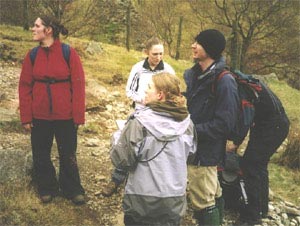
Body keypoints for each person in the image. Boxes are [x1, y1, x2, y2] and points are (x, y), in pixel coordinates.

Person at [110, 72, 197, 226]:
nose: (145, 90)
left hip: (141, 199)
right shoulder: (188, 125)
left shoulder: (138, 123)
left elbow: (122, 160)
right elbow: (190, 156)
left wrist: (117, 138)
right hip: (173, 199)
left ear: (160, 95)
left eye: (149, 87)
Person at [18, 15, 85, 205]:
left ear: (48, 30)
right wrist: (26, 117)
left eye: (37, 25)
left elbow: (78, 85)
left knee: (68, 153)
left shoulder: (68, 53)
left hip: (65, 115)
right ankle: (47, 187)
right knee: (40, 153)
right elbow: (24, 86)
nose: (33, 28)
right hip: (39, 115)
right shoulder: (32, 55)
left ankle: (72, 189)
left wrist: (78, 115)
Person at [102, 36, 175, 196]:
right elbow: (129, 91)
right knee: (129, 144)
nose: (158, 57)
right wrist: (143, 100)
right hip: (140, 112)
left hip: (161, 114)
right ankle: (116, 179)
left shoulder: (168, 70)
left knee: (156, 148)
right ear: (146, 52)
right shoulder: (138, 68)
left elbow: (173, 92)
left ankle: (153, 187)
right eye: (155, 54)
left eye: (161, 54)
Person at [183, 29, 239, 226]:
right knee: (213, 193)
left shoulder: (224, 81)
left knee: (203, 201)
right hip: (197, 148)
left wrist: (191, 130)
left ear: (210, 49)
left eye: (198, 43)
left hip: (205, 152)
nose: (193, 46)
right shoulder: (196, 75)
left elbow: (224, 124)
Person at [227, 81, 290, 225]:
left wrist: (235, 142)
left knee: (250, 166)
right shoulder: (244, 82)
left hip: (271, 126)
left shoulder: (238, 88)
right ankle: (262, 208)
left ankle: (252, 216)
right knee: (259, 165)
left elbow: (245, 116)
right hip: (275, 123)